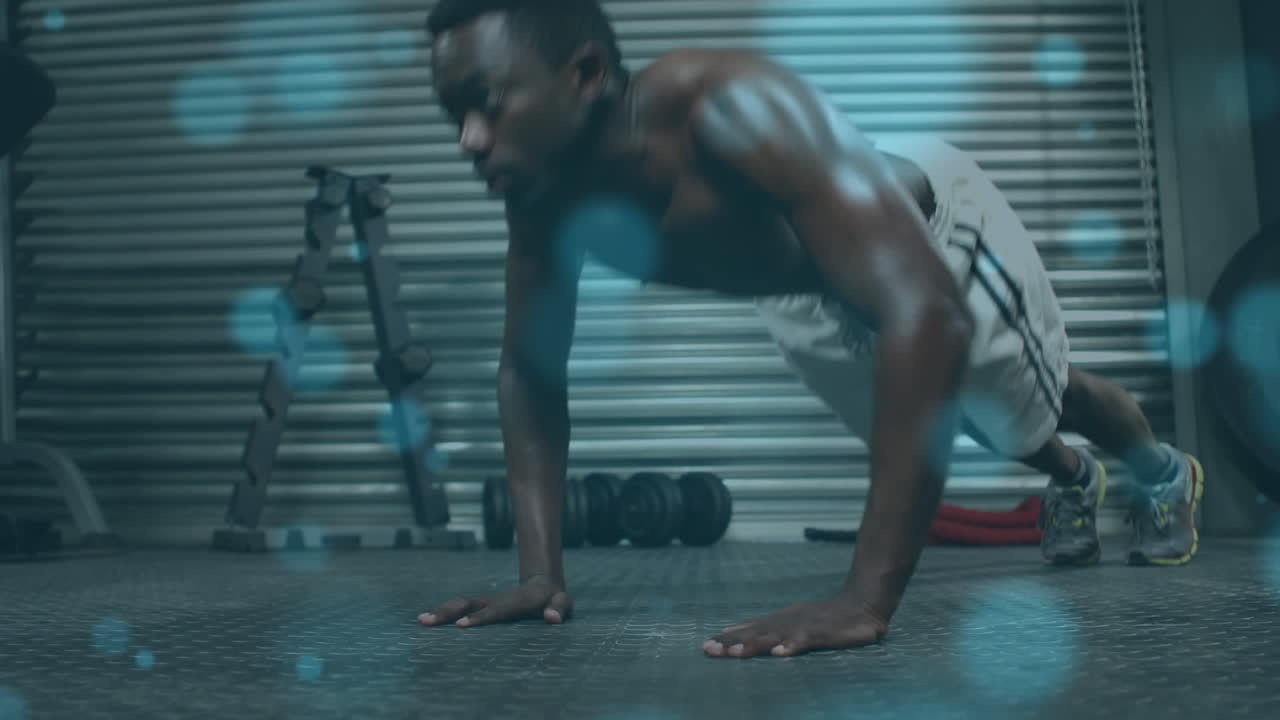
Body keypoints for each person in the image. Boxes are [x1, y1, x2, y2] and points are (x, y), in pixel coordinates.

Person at [416, 0, 1204, 659]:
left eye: (488, 103)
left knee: (1032, 399)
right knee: (971, 421)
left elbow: (924, 309)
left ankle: (1160, 470)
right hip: (802, 286)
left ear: (585, 75)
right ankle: (1074, 477)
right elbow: (529, 371)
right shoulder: (541, 196)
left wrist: (865, 597)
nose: (468, 142)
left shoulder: (729, 105)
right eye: (453, 117)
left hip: (925, 230)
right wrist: (539, 573)